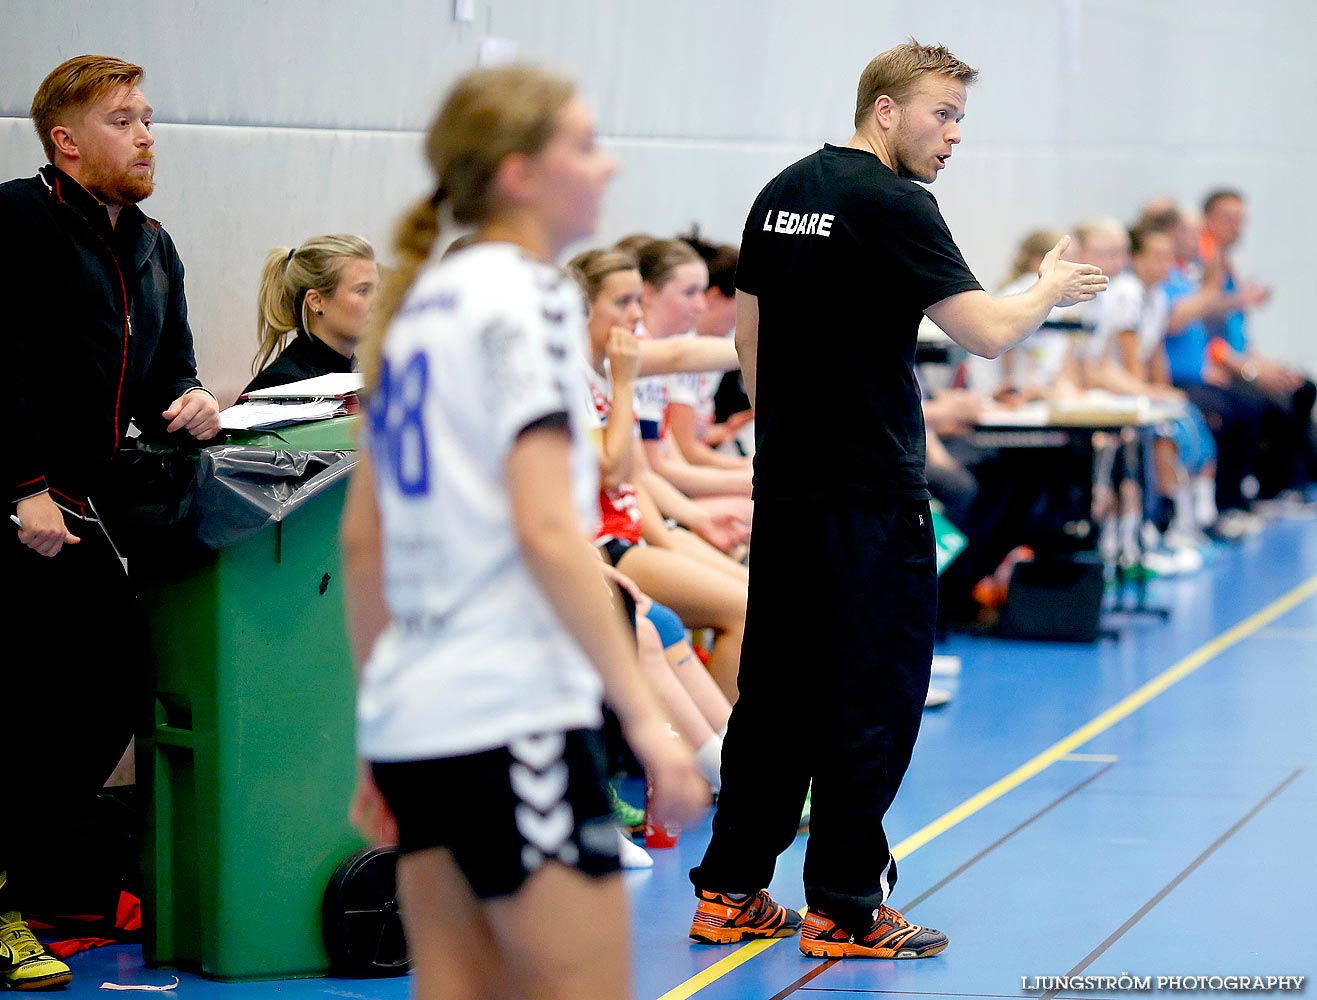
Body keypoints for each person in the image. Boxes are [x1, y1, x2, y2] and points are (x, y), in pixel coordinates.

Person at [686, 39, 1106, 961]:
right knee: (870, 695)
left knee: (777, 696)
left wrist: (795, 431)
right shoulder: (893, 202)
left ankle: (728, 891)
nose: (952, 135)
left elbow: (748, 342)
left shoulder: (782, 190)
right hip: (870, 496)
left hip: (789, 490)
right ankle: (843, 907)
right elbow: (987, 333)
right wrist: (1046, 286)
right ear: (885, 109)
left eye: (959, 118)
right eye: (941, 114)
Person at [339, 64, 705, 1000]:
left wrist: (381, 738)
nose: (608, 164)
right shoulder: (528, 301)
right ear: (517, 174)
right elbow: (549, 532)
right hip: (512, 711)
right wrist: (645, 721)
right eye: (583, 145)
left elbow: (363, 544)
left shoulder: (417, 311)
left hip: (422, 719)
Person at [1, 55, 221, 990]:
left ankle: (28, 882)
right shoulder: (13, 220)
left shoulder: (153, 243)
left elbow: (167, 369)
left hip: (86, 511)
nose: (145, 135)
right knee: (26, 709)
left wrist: (195, 399)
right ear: (67, 140)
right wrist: (20, 488)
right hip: (20, 507)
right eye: (124, 119)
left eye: (147, 117)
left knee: (103, 698)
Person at [1197, 189, 1314, 502]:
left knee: (1302, 387)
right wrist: (1250, 370)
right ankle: (1252, 492)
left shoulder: (1226, 263)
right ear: (1208, 220)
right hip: (1219, 365)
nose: (1237, 227)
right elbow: (1205, 332)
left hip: (1236, 356)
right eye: (1229, 219)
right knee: (1255, 403)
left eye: (1240, 220)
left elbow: (1239, 337)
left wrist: (1267, 364)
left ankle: (1289, 483)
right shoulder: (1202, 264)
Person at [244, 234, 379, 393]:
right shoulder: (284, 386)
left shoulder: (360, 375)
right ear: (316, 300)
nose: (378, 302)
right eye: (363, 291)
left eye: (378, 289)